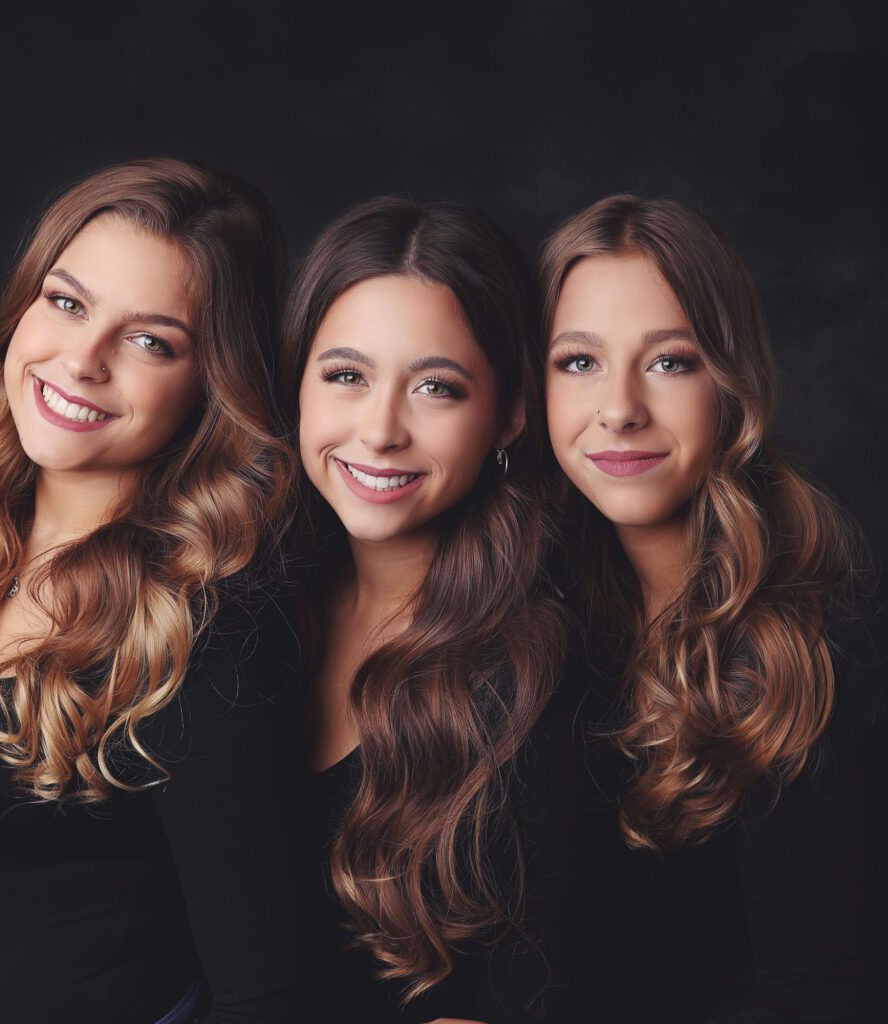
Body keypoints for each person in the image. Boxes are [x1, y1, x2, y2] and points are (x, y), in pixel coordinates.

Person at [0, 158, 301, 1024]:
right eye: (67, 302)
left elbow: (265, 989)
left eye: (150, 341)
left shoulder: (203, 629)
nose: (83, 358)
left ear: (210, 385)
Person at [538, 194, 884, 1022]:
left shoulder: (807, 649)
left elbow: (820, 994)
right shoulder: (545, 601)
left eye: (671, 362)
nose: (619, 408)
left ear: (732, 385)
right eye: (579, 362)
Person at [281, 196, 579, 1024]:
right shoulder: (256, 615)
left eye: (436, 389)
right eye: (346, 376)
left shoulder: (536, 674)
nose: (380, 431)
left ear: (509, 414)